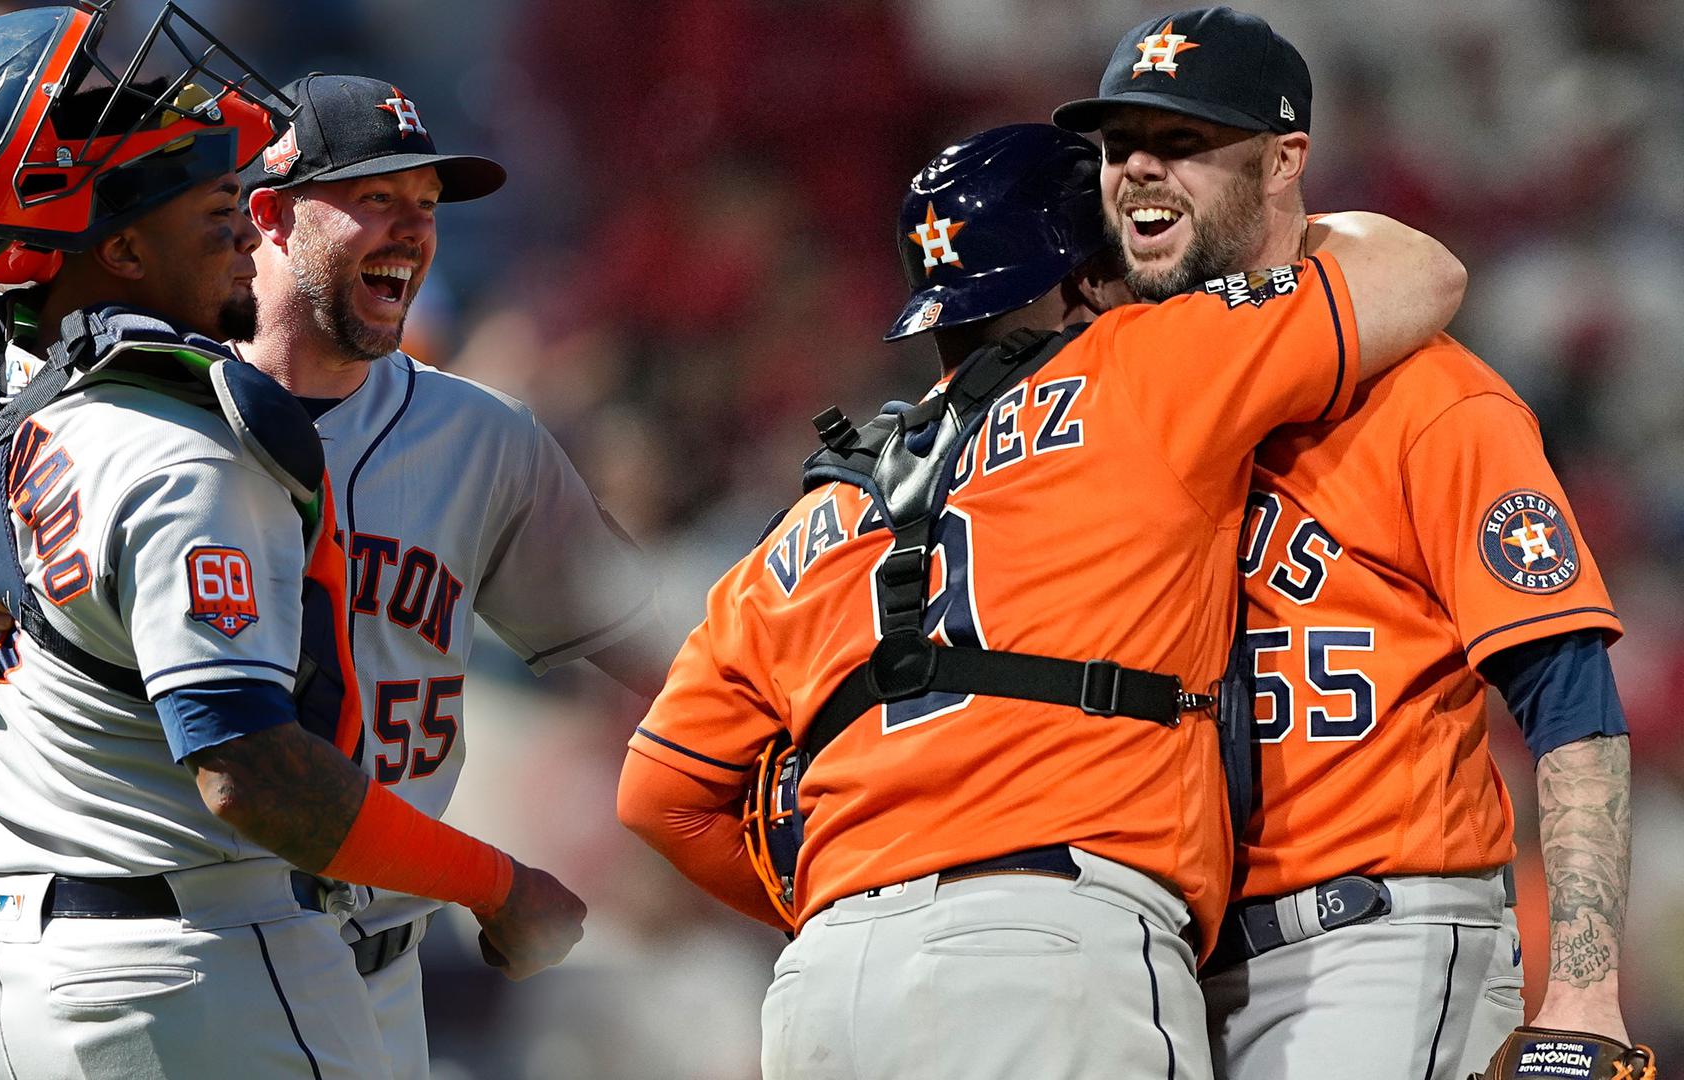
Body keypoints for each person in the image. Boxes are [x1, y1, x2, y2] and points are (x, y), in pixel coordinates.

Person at [0, 7, 582, 1077]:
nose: (244, 239)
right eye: (217, 216)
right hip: (196, 971)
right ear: (120, 248)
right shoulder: (193, 450)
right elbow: (251, 777)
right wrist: (499, 885)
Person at [616, 121, 1466, 1078]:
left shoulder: (809, 519)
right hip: (1047, 949)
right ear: (1090, 277)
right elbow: (1419, 271)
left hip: (825, 990)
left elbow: (659, 799)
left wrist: (854, 893)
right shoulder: (1141, 366)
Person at [1052, 7, 1641, 1079]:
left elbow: (1570, 696)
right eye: (1119, 144)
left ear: (1284, 162)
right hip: (1171, 963)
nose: (1139, 169)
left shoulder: (1435, 400)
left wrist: (1589, 986)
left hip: (1377, 945)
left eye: (1181, 142)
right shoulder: (1128, 403)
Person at [233, 73, 674, 1077]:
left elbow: (661, 653)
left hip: (389, 966)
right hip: (207, 949)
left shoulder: (481, 437)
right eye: (376, 198)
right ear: (268, 213)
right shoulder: (161, 422)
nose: (411, 232)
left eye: (426, 206)